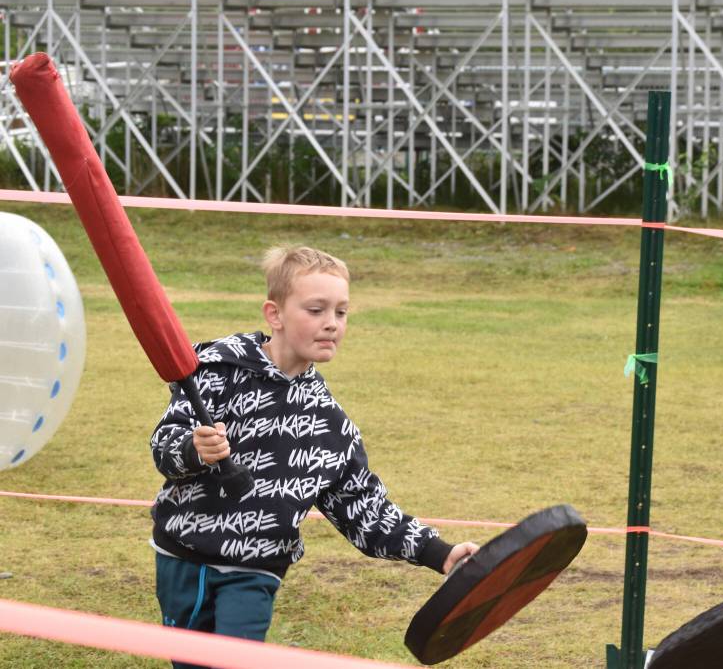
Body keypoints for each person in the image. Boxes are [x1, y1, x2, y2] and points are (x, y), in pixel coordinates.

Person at [149, 246, 478, 664]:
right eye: (316, 310)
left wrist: (439, 552)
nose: (331, 324)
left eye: (341, 313)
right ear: (275, 314)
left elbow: (365, 510)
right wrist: (193, 449)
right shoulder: (216, 374)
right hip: (184, 555)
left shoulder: (330, 424)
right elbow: (164, 446)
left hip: (257, 567)